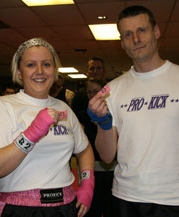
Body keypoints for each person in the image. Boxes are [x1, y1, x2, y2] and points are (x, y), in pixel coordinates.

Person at [0, 38, 95, 217]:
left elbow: (84, 148)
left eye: (46, 64)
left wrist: (87, 183)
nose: (40, 71)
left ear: (55, 71)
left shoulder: (64, 108)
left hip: (65, 206)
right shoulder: (4, 106)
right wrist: (32, 133)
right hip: (19, 208)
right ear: (19, 72)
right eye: (31, 64)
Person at [87, 5, 179, 217]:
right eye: (128, 34)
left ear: (156, 32)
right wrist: (103, 122)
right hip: (127, 197)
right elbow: (107, 156)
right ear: (122, 43)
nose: (136, 39)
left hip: (173, 197)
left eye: (142, 30)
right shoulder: (112, 90)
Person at [80, 78, 116, 217]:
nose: (91, 94)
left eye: (95, 91)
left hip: (112, 172)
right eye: (88, 92)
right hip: (92, 171)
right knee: (92, 210)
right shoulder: (83, 115)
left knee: (110, 209)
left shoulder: (113, 112)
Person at [72, 57, 106, 121]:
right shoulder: (80, 95)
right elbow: (74, 116)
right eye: (92, 69)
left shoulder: (111, 91)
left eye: (98, 68)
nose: (95, 71)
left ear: (104, 71)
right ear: (87, 72)